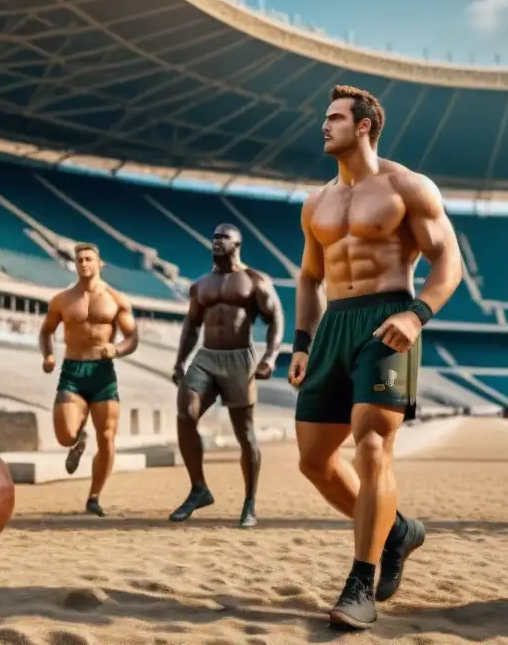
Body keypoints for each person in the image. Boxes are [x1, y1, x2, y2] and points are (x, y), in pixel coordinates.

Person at [288, 85, 464, 630]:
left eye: (336, 118)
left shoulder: (406, 186)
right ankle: (398, 531)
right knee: (315, 462)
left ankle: (360, 582)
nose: (325, 125)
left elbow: (448, 262)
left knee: (371, 447)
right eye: (325, 117)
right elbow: (311, 276)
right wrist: (300, 341)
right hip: (333, 327)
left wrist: (416, 315)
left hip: (387, 319)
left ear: (364, 126)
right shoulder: (316, 201)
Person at [169, 223, 284, 528]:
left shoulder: (254, 280)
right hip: (206, 358)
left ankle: (249, 503)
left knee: (244, 434)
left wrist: (270, 358)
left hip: (239, 359)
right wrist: (180, 362)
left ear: (238, 245)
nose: (217, 241)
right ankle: (198, 489)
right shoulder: (202, 284)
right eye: (214, 237)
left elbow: (276, 320)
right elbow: (192, 325)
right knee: (185, 412)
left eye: (224, 238)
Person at [40, 242, 139, 516]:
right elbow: (46, 331)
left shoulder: (116, 300)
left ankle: (94, 497)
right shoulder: (62, 300)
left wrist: (116, 349)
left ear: (99, 263)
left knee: (107, 438)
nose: (83, 264)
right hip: (72, 372)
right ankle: (78, 439)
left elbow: (133, 337)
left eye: (88, 259)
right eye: (79, 259)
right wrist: (48, 355)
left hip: (103, 374)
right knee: (64, 436)